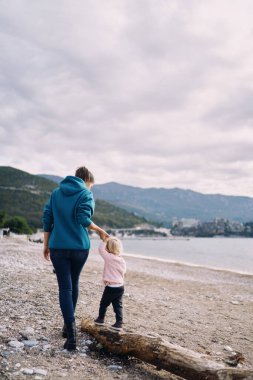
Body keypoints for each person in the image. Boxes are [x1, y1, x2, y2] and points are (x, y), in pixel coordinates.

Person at [42, 166, 109, 351]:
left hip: (58, 246)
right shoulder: (85, 194)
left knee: (65, 287)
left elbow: (47, 218)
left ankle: (70, 334)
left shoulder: (56, 193)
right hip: (79, 247)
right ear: (87, 181)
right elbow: (83, 218)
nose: (90, 190)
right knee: (74, 283)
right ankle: (68, 327)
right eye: (91, 187)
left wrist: (46, 244)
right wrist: (100, 230)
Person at [94, 237, 126, 331]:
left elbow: (101, 249)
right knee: (118, 305)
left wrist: (104, 240)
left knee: (104, 303)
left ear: (108, 248)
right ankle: (119, 323)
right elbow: (123, 272)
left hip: (111, 287)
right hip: (120, 286)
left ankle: (100, 319)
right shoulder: (121, 260)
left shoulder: (109, 257)